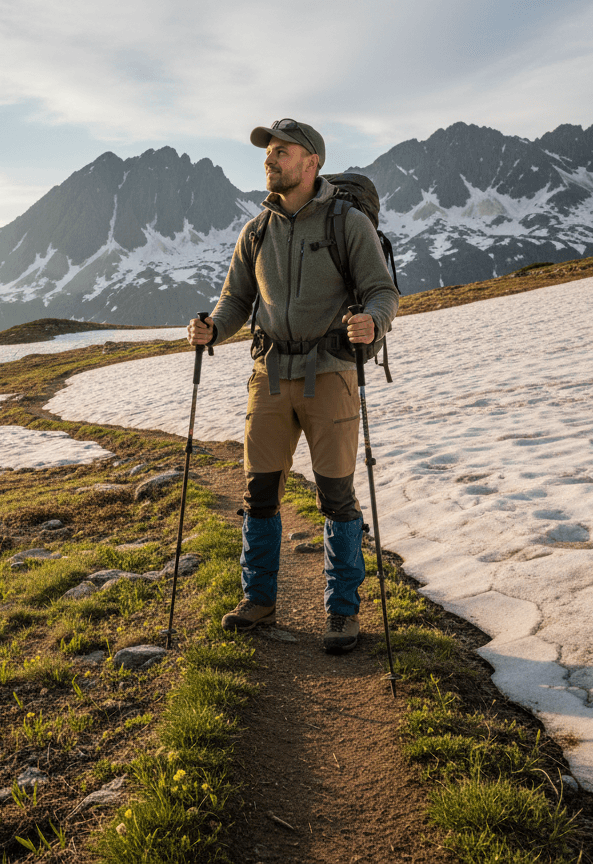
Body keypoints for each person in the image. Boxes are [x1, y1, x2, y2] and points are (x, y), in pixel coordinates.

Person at [187, 118, 399, 653]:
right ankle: (257, 602)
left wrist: (373, 321)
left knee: (336, 496)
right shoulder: (255, 230)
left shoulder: (347, 223)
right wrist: (213, 327)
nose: (270, 159)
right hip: (270, 376)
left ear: (312, 163)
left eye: (281, 152)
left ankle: (343, 614)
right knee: (259, 494)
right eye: (268, 152)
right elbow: (236, 300)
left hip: (330, 374)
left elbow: (382, 291)